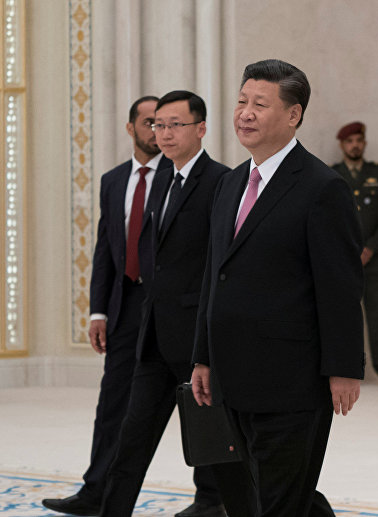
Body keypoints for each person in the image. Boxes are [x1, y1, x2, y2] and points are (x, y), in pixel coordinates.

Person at [190, 59, 364, 517]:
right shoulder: (230, 184)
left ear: (293, 114)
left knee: (280, 499)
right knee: (275, 494)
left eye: (260, 104)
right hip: (233, 375)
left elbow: (340, 287)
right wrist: (203, 355)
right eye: (242, 101)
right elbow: (214, 275)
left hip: (292, 381)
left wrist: (344, 368)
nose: (245, 113)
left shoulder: (322, 187)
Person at [100, 90, 248, 517]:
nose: (163, 134)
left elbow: (221, 265)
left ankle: (231, 508)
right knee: (131, 441)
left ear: (201, 129)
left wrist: (209, 345)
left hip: (197, 341)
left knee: (219, 448)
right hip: (155, 338)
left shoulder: (222, 181)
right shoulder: (161, 178)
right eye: (157, 125)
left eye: (174, 125)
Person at [42, 96, 173, 515]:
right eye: (148, 122)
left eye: (163, 123)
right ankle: (95, 490)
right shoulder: (113, 181)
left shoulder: (180, 176)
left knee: (196, 402)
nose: (156, 130)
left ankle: (212, 499)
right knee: (113, 402)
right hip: (125, 304)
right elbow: (105, 250)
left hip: (171, 307)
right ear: (130, 127)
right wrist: (98, 310)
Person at [332, 121, 378, 385]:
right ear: (342, 145)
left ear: (365, 143)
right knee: (344, 315)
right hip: (344, 261)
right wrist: (348, 251)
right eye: (349, 142)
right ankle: (344, 368)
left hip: (376, 259)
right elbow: (328, 219)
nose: (355, 146)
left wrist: (370, 247)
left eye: (358, 141)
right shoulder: (332, 175)